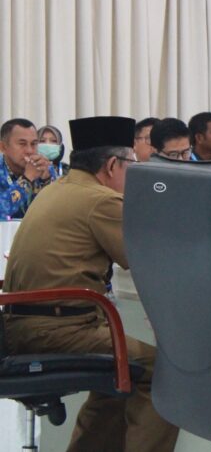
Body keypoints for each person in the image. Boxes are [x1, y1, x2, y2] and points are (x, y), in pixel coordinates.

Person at [3, 116, 179, 452]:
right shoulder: (100, 199)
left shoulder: (57, 189)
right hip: (58, 330)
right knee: (161, 371)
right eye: (130, 164)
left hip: (24, 326)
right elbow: (151, 261)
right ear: (112, 165)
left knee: (116, 379)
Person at [0, 118, 57, 219]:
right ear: (3, 147)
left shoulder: (45, 168)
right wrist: (26, 179)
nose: (30, 151)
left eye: (34, 144)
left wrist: (46, 181)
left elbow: (59, 213)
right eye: (22, 144)